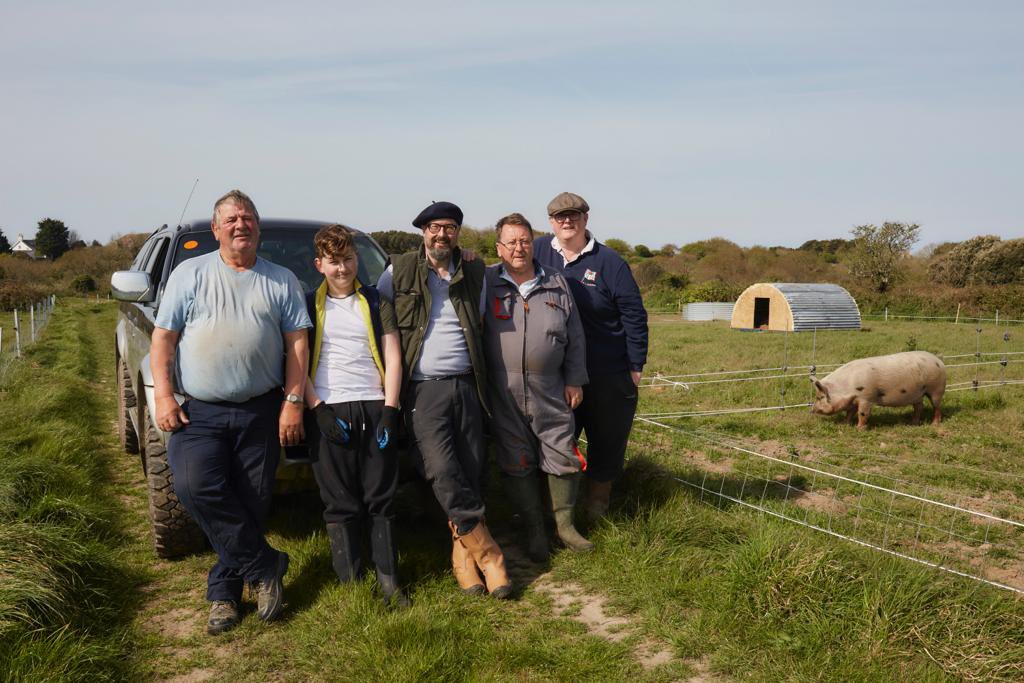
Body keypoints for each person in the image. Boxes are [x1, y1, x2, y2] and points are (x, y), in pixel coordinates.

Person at [150, 189, 311, 635]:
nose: (241, 225)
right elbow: (163, 339)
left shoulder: (282, 280)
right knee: (194, 487)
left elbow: (298, 345)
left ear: (257, 227)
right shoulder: (190, 273)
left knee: (250, 503)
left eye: (248, 218)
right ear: (217, 228)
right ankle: (266, 564)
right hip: (198, 410)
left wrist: (293, 403)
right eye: (232, 219)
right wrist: (164, 396)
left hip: (261, 408)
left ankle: (223, 594)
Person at [377, 200, 512, 599]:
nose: (442, 235)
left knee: (470, 470)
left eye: (450, 228)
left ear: (457, 234)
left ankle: (462, 560)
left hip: (468, 384)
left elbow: (483, 321)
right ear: (423, 232)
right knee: (441, 469)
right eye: (435, 228)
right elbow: (379, 322)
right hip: (423, 387)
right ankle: (490, 555)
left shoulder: (474, 270)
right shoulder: (396, 271)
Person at [302, 224, 409, 608]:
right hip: (330, 408)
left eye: (347, 259)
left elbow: (392, 354)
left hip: (374, 404)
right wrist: (316, 409)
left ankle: (389, 581)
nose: (342, 269)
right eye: (333, 262)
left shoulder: (377, 300)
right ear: (319, 264)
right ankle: (351, 582)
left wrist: (390, 410)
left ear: (356, 258)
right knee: (340, 500)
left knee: (380, 496)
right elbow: (297, 360)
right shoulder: (306, 304)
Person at [532, 192, 649, 520]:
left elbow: (633, 315)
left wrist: (635, 365)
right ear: (551, 222)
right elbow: (504, 265)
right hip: (556, 372)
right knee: (557, 441)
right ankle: (557, 515)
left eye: (573, 215)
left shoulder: (610, 262)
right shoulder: (538, 251)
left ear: (585, 218)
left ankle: (596, 510)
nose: (566, 221)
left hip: (606, 370)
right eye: (559, 217)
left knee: (607, 441)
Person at [483, 213, 591, 562]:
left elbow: (575, 335)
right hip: (503, 388)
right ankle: (533, 529)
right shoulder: (485, 282)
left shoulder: (556, 282)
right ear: (499, 248)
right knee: (516, 459)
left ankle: (565, 526)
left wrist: (575, 378)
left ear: (534, 243)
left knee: (562, 450)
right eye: (511, 242)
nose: (519, 248)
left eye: (525, 240)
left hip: (551, 386)